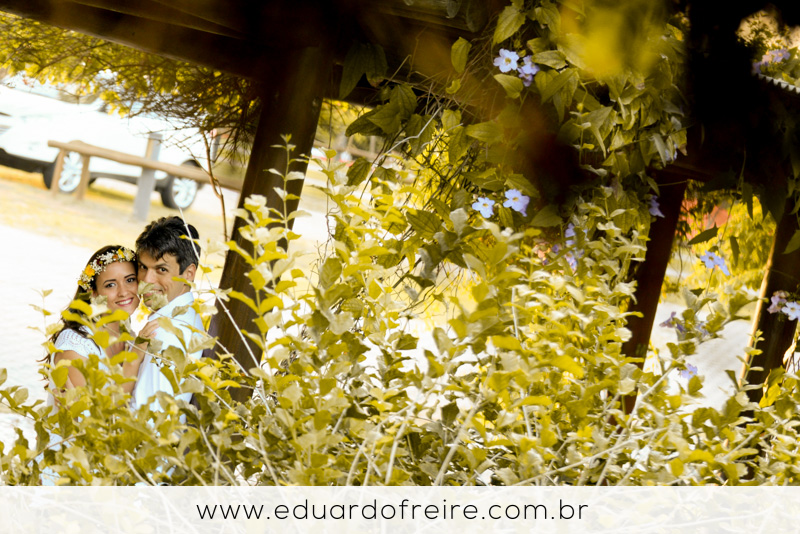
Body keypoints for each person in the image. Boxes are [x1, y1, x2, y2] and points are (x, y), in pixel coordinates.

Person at [132, 216, 205, 411]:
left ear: (189, 274)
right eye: (143, 267)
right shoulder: (183, 317)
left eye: (161, 270)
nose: (147, 280)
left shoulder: (165, 335)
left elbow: (149, 421)